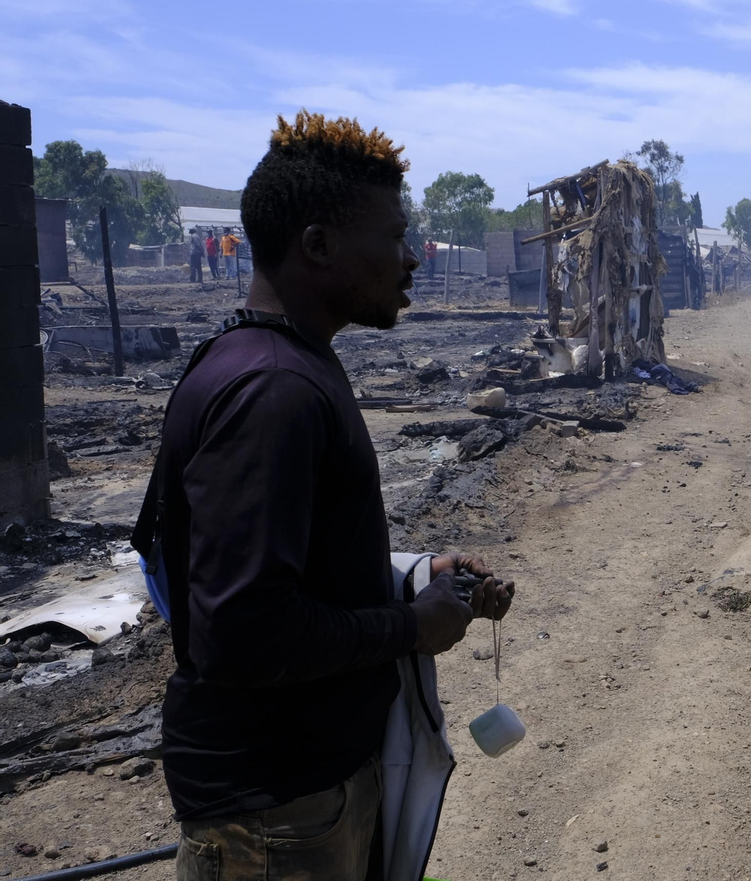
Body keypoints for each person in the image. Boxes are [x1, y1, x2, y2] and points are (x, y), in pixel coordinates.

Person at [136, 111, 514, 880]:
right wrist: (409, 627)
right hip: (274, 810)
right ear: (318, 245)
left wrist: (417, 576)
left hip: (302, 789)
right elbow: (241, 633)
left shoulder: (279, 363)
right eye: (394, 235)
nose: (411, 258)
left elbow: (285, 574)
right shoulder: (274, 392)